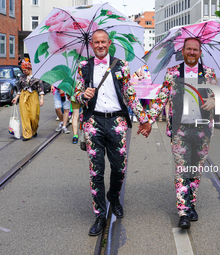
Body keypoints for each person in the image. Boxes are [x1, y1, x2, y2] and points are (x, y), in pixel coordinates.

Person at [73, 29, 151, 236]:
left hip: (117, 121)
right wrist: (83, 95)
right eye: (96, 42)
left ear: (109, 43)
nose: (100, 45)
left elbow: (131, 95)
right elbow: (76, 94)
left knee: (119, 167)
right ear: (92, 44)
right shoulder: (83, 67)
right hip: (93, 122)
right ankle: (100, 214)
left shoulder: (121, 66)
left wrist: (144, 119)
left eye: (103, 42)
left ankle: (114, 196)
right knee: (96, 171)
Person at [146, 37, 217, 229]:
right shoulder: (172, 73)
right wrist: (147, 121)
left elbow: (218, 95)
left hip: (202, 130)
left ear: (200, 52)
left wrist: (214, 101)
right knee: (181, 169)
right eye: (189, 49)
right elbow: (161, 99)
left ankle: (191, 203)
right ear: (183, 51)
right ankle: (183, 211)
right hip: (180, 130)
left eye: (195, 49)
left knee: (196, 169)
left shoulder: (209, 73)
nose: (192, 52)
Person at [11, 61, 44, 141]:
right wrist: (16, 97)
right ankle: (27, 134)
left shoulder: (37, 76)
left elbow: (40, 88)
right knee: (24, 115)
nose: (23, 72)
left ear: (29, 69)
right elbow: (19, 89)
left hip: (33, 95)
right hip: (23, 95)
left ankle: (34, 129)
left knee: (33, 116)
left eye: (25, 70)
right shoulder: (22, 77)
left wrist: (42, 98)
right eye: (23, 70)